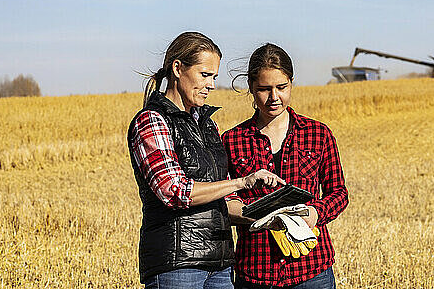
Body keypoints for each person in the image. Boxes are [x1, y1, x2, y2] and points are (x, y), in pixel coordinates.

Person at [127, 32, 284, 289]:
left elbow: (219, 192)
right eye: (205, 75)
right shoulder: (152, 121)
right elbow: (174, 191)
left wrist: (271, 215)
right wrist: (242, 182)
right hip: (178, 265)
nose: (211, 85)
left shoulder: (207, 124)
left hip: (219, 262)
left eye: (214, 77)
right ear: (178, 68)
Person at [222, 43, 349, 288]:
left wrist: (315, 213)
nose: (274, 97)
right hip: (256, 272)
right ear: (251, 88)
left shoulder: (318, 134)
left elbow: (339, 194)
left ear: (292, 83)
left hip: (312, 270)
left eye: (281, 87)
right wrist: (256, 216)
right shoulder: (232, 140)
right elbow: (226, 202)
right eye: (263, 89)